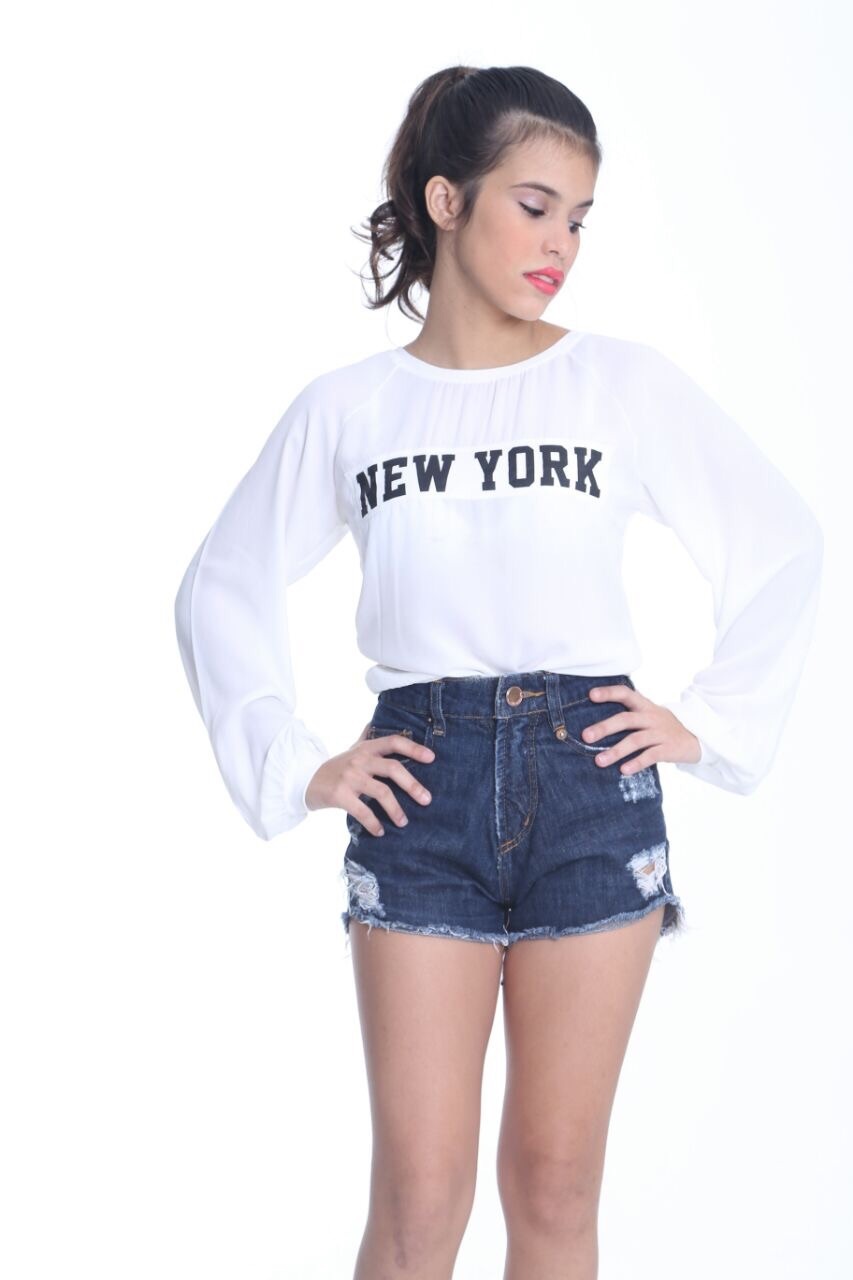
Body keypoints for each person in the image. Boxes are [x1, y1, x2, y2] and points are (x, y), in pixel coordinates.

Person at [174, 64, 823, 1280]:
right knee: (418, 1200)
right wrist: (295, 761)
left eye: (579, 217)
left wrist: (708, 723)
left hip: (590, 784)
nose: (560, 243)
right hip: (419, 791)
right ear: (446, 200)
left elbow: (780, 539)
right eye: (533, 206)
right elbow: (221, 580)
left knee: (555, 1182)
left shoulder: (619, 383)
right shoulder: (350, 408)